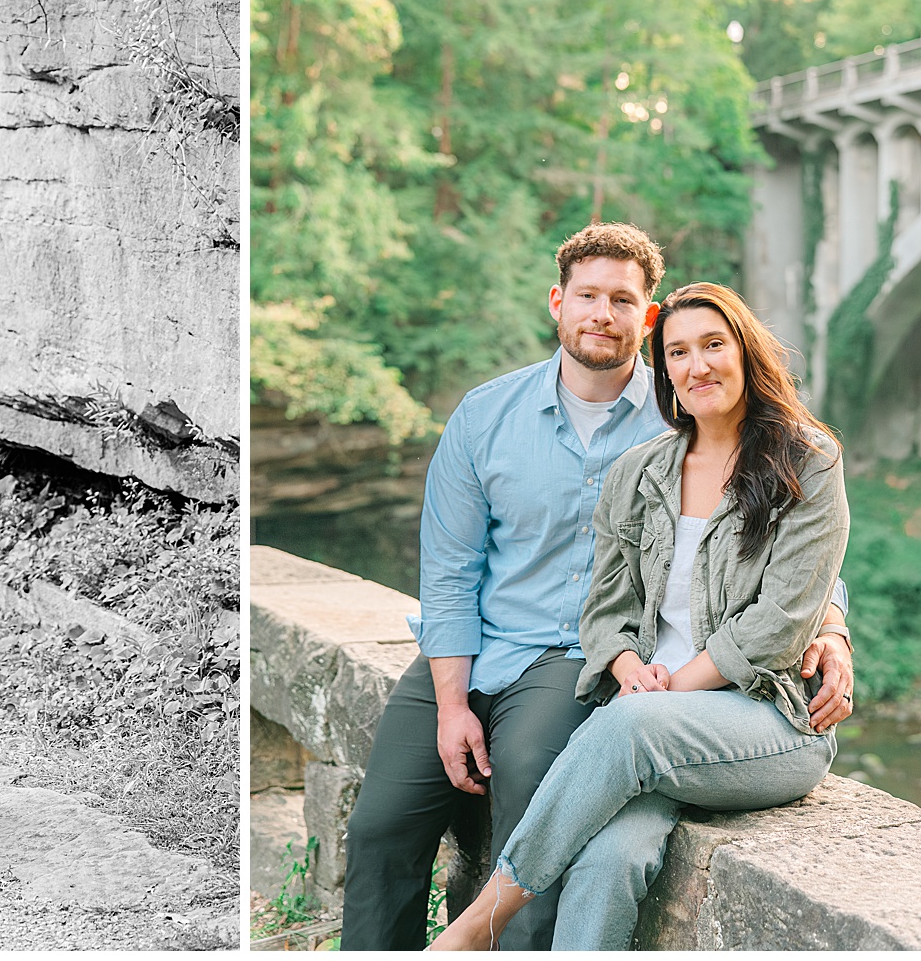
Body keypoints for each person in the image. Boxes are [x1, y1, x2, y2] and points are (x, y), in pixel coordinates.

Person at [340, 224, 856, 951]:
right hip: (532, 653)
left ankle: (479, 928)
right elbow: (455, 569)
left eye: (622, 300)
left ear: (647, 317)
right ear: (559, 302)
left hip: (607, 677)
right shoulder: (516, 423)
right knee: (393, 829)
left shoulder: (722, 429)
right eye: (587, 296)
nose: (602, 314)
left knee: (539, 777)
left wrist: (832, 628)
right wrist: (454, 701)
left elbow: (800, 569)